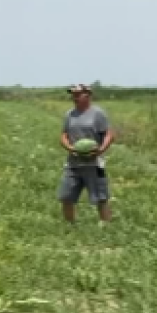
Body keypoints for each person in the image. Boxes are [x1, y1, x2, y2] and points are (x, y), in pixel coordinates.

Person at [57, 83, 114, 225]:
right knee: (66, 196)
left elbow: (109, 134)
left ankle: (105, 226)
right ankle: (70, 226)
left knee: (101, 197)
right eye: (73, 95)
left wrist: (100, 150)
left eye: (78, 94)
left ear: (87, 95)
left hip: (93, 164)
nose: (74, 97)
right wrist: (70, 148)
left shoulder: (98, 114)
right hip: (73, 163)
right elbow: (63, 135)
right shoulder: (70, 114)